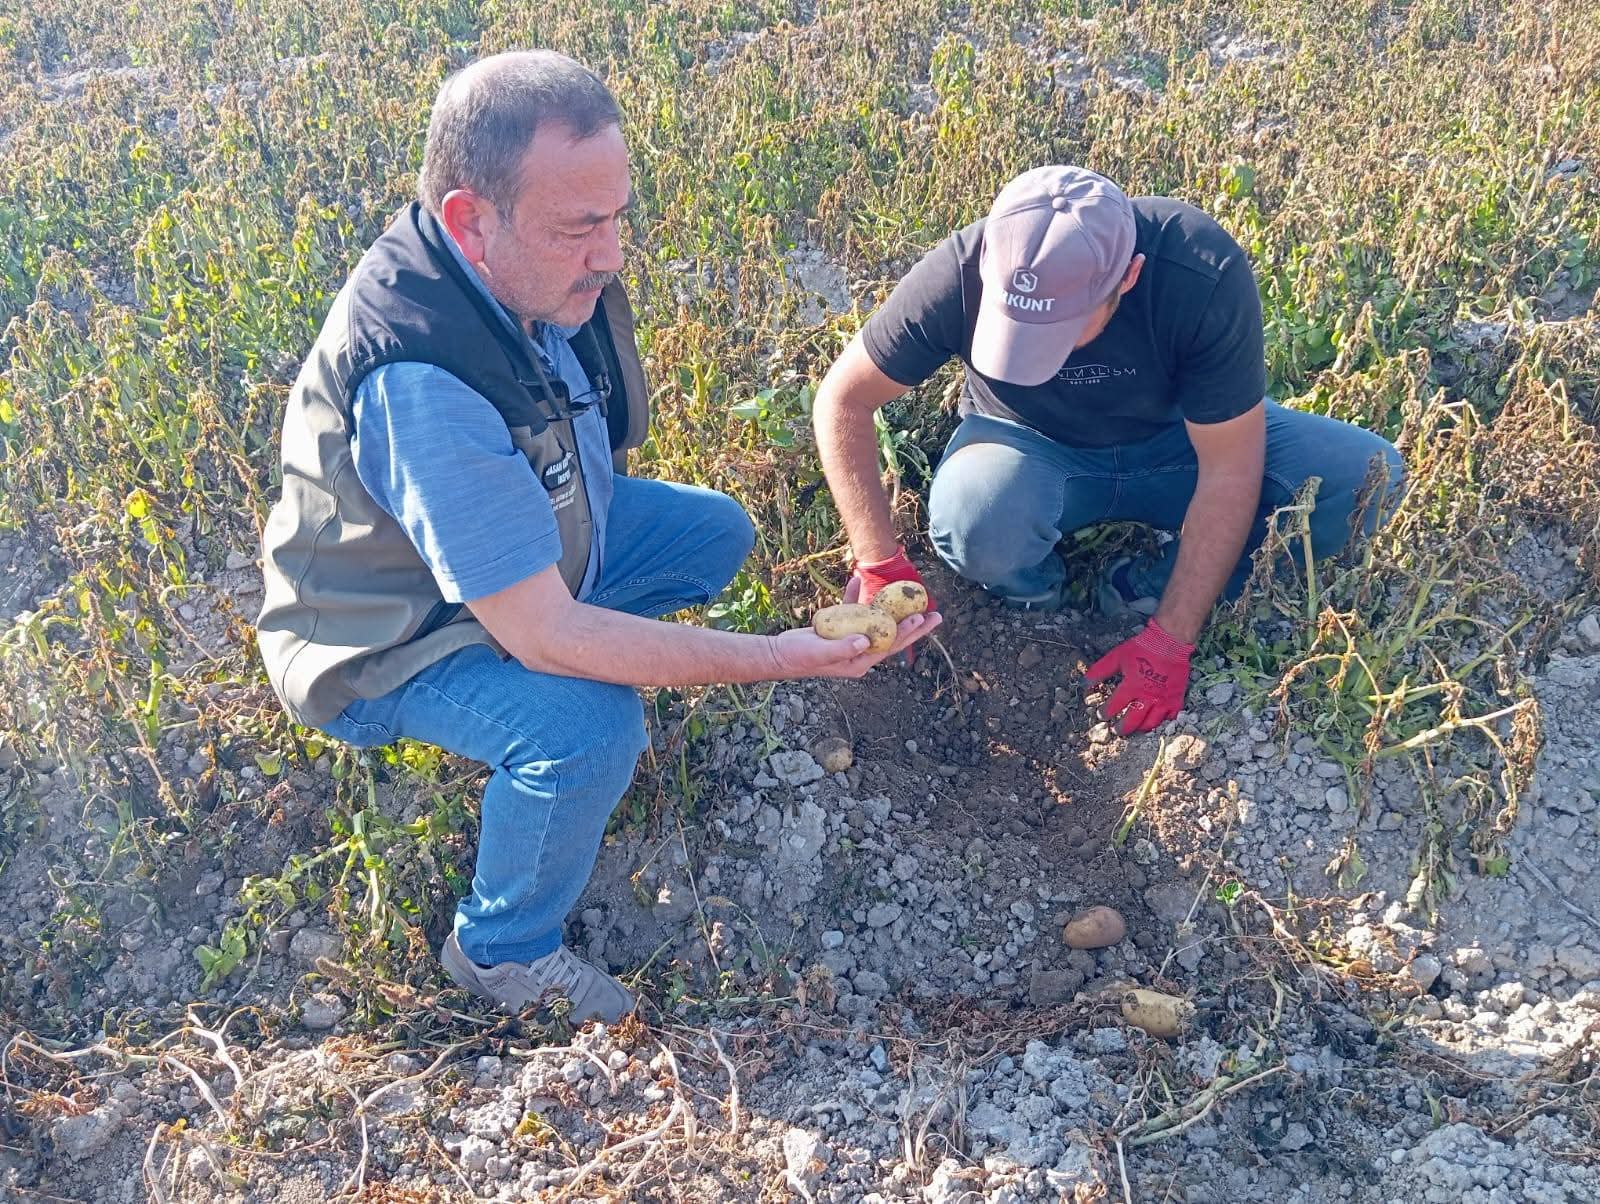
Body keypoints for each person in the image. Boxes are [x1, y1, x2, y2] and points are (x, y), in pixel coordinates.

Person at [255, 50, 939, 1024]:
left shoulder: (520, 271)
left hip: (528, 537)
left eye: (617, 216)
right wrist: (778, 657)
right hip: (394, 632)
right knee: (589, 726)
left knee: (712, 536)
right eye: (580, 227)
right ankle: (502, 950)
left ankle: (554, 666)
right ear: (468, 220)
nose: (610, 253)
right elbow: (547, 635)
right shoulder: (421, 383)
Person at [813, 165, 1402, 735]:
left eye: (1058, 331)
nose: (1032, 351)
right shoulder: (958, 273)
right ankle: (1038, 599)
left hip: (1182, 446)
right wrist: (877, 561)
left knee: (1363, 480)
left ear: (1129, 276)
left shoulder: (1198, 272)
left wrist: (1171, 638)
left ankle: (1137, 585)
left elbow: (1229, 468)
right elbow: (842, 399)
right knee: (976, 517)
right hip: (1031, 449)